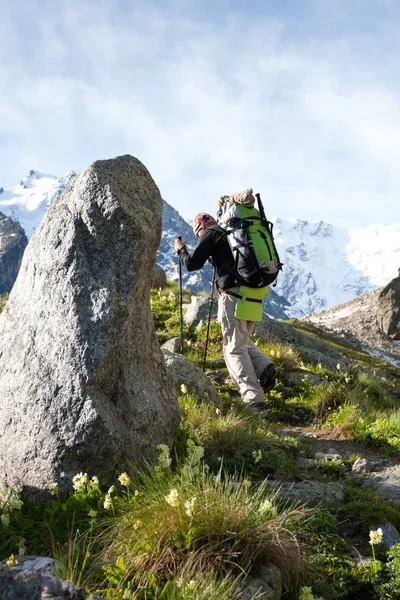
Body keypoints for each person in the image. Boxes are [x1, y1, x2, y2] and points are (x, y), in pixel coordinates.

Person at [173, 212, 278, 416]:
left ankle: (253, 400)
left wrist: (181, 249)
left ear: (199, 229)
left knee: (233, 348)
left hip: (233, 295)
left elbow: (192, 264)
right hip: (255, 293)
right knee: (242, 340)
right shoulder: (235, 233)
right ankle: (265, 368)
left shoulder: (210, 233)